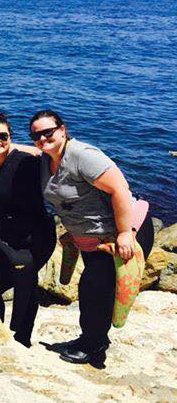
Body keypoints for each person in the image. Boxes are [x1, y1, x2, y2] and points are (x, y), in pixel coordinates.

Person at [30, 109, 154, 365]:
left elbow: (120, 188)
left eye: (48, 132)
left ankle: (94, 345)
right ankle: (94, 337)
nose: (43, 138)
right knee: (97, 289)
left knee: (93, 290)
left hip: (121, 234)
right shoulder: (46, 158)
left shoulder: (81, 156)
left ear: (62, 130)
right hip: (91, 240)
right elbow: (25, 150)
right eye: (37, 135)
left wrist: (125, 232)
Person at [0, 111, 56, 348]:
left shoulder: (26, 163)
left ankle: (22, 340)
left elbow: (50, 155)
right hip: (1, 239)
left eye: (3, 136)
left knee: (25, 287)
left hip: (31, 238)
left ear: (11, 137)